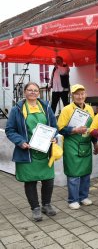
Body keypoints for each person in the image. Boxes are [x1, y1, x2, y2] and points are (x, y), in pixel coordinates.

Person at [5, 82, 58, 221]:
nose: (33, 92)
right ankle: (35, 208)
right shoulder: (17, 109)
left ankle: (46, 205)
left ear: (39, 93)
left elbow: (54, 126)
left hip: (44, 151)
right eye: (30, 90)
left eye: (35, 90)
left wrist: (54, 137)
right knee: (30, 181)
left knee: (48, 180)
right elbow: (10, 130)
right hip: (27, 152)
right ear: (25, 92)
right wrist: (20, 142)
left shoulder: (46, 107)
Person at [58, 84, 98, 210]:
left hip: (86, 144)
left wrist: (95, 143)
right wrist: (74, 130)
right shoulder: (66, 110)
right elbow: (60, 128)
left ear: (85, 95)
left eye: (82, 93)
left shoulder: (90, 109)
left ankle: (83, 196)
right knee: (74, 174)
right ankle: (73, 199)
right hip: (72, 145)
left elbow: (92, 128)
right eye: (77, 94)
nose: (80, 96)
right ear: (72, 95)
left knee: (86, 173)